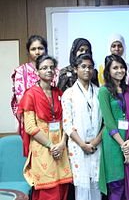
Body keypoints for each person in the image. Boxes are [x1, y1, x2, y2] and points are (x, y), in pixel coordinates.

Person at [18, 55, 73, 200]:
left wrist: (61, 144)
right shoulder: (30, 94)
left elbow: (66, 122)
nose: (48, 70)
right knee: (47, 191)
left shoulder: (59, 93)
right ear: (37, 72)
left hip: (60, 148)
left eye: (51, 67)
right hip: (42, 149)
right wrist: (51, 146)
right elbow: (30, 127)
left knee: (62, 190)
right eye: (44, 68)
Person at [61, 54, 102, 200]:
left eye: (90, 67)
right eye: (83, 67)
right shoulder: (68, 94)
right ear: (76, 69)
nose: (87, 70)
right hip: (78, 146)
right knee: (82, 187)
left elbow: (105, 123)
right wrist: (82, 144)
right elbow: (67, 123)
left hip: (96, 145)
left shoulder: (99, 92)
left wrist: (95, 142)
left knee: (96, 184)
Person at [98, 54, 129, 200]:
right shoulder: (104, 91)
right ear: (108, 71)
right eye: (115, 68)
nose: (119, 70)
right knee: (117, 184)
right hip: (113, 143)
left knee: (128, 184)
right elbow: (109, 123)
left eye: (122, 67)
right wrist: (123, 147)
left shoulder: (128, 90)